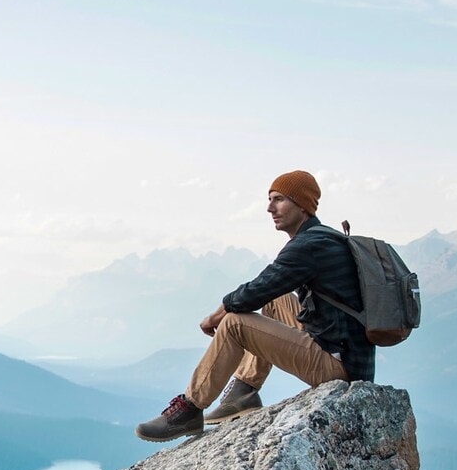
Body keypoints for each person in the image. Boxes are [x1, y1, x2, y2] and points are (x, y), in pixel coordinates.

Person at [136, 170, 374, 442]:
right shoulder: (324, 238)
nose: (270, 208)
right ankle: (243, 392)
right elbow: (268, 289)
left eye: (279, 199)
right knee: (275, 301)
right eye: (270, 199)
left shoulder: (309, 246)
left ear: (303, 205)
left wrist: (216, 315)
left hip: (339, 367)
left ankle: (190, 409)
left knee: (235, 323)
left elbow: (256, 290)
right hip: (340, 349)